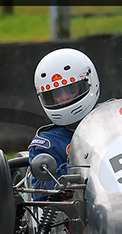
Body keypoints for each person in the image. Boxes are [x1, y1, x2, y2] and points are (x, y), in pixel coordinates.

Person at [28, 48, 100, 200]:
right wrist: (78, 164)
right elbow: (41, 192)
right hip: (80, 214)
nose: (64, 98)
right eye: (56, 95)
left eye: (71, 89)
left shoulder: (112, 119)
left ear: (88, 83)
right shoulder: (47, 143)